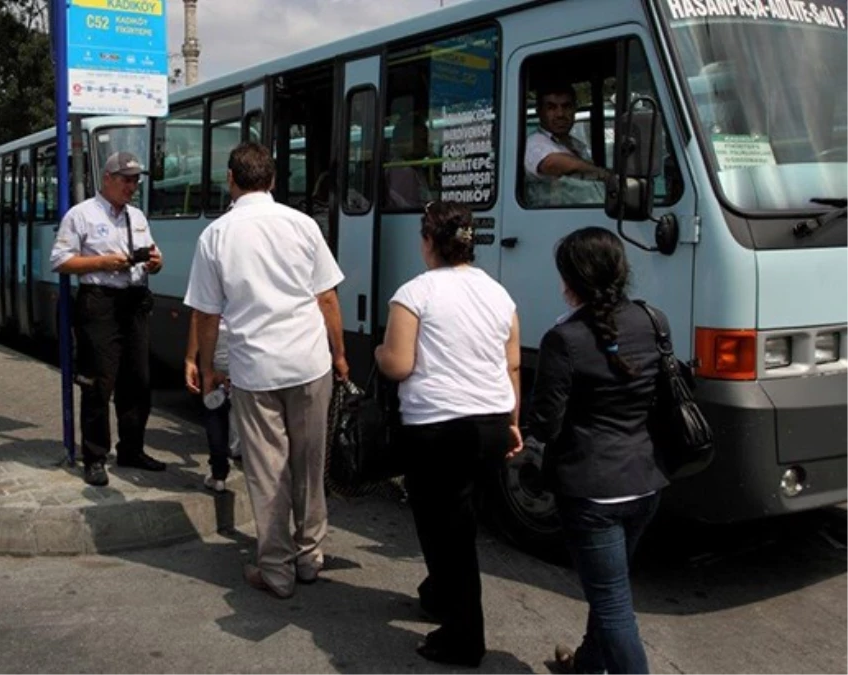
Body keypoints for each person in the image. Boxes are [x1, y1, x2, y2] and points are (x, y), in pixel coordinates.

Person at [184, 141, 349, 600]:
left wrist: (206, 366)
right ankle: (310, 556)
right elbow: (327, 297)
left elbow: (207, 314)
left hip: (255, 369)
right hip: (309, 362)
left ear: (230, 181)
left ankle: (276, 569)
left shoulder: (215, 235)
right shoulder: (302, 224)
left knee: (268, 470)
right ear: (273, 180)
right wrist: (339, 354)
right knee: (309, 464)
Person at [373, 201, 522, 668]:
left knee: (444, 531)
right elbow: (512, 365)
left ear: (428, 242)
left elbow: (399, 364)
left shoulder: (414, 293)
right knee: (459, 520)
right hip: (492, 424)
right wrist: (513, 422)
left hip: (438, 430)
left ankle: (462, 638)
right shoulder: (499, 293)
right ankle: (438, 594)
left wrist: (378, 353)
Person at [519, 226, 671, 675]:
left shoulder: (564, 338)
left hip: (592, 492)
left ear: (571, 280)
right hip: (645, 480)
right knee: (611, 589)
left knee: (612, 603)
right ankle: (588, 665)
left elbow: (546, 424)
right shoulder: (653, 320)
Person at [49, 151, 165, 487]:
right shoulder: (81, 215)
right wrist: (102, 263)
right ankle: (95, 456)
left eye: (136, 181)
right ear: (107, 179)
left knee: (138, 380)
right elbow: (60, 261)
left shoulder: (137, 216)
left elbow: (152, 253)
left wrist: (155, 262)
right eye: (126, 180)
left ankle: (132, 449)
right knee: (99, 382)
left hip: (134, 301)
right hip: (100, 302)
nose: (132, 186)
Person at [524, 83, 610, 205]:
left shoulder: (576, 144)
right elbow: (552, 163)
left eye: (566, 106)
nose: (560, 114)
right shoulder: (533, 142)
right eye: (551, 107)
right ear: (539, 112)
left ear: (574, 109)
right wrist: (604, 175)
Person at [183, 309, 240, 493]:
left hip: (218, 337)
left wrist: (191, 358)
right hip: (249, 341)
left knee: (216, 405)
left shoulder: (213, 286)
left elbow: (200, 315)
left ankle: (218, 473)